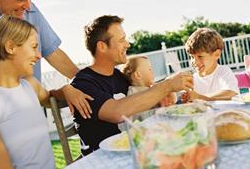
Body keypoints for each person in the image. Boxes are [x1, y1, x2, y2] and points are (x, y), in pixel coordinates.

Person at [0, 15, 82, 168]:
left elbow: (49, 98)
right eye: (34, 47)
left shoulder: (30, 85)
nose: (39, 55)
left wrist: (66, 89)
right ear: (10, 47)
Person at [71, 15, 193, 154]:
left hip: (137, 151)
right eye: (122, 40)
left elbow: (141, 97)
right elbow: (117, 112)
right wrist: (168, 85)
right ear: (102, 46)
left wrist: (164, 97)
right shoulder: (83, 84)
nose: (128, 44)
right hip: (103, 159)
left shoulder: (120, 77)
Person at [181, 28, 239, 102]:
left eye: (200, 56)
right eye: (192, 57)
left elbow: (231, 93)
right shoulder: (193, 80)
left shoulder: (223, 72)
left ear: (217, 54)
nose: (194, 62)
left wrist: (200, 97)